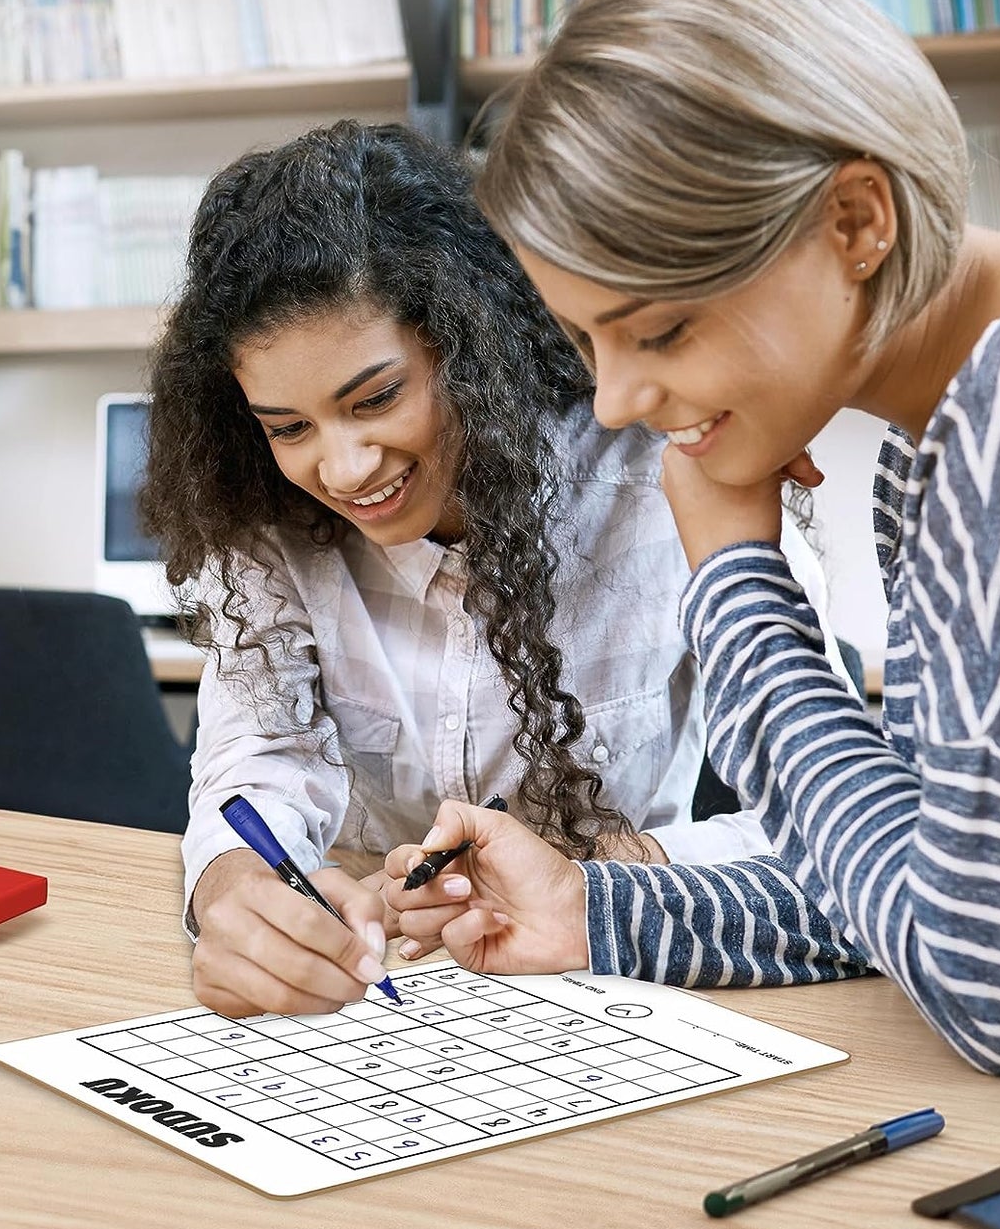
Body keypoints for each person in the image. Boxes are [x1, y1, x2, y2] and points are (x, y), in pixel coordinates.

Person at [383, 0, 1000, 1080]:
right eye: (588, 338)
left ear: (853, 221)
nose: (619, 398)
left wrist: (735, 577)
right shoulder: (946, 431)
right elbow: (932, 886)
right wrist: (594, 910)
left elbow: (994, 988)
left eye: (661, 327)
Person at [140, 120, 855, 1019]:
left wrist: (612, 879)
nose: (346, 467)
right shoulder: (262, 515)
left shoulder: (662, 475)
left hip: (615, 976)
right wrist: (235, 884)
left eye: (377, 398)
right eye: (290, 427)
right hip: (381, 993)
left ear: (466, 343)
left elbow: (826, 825)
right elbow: (261, 753)